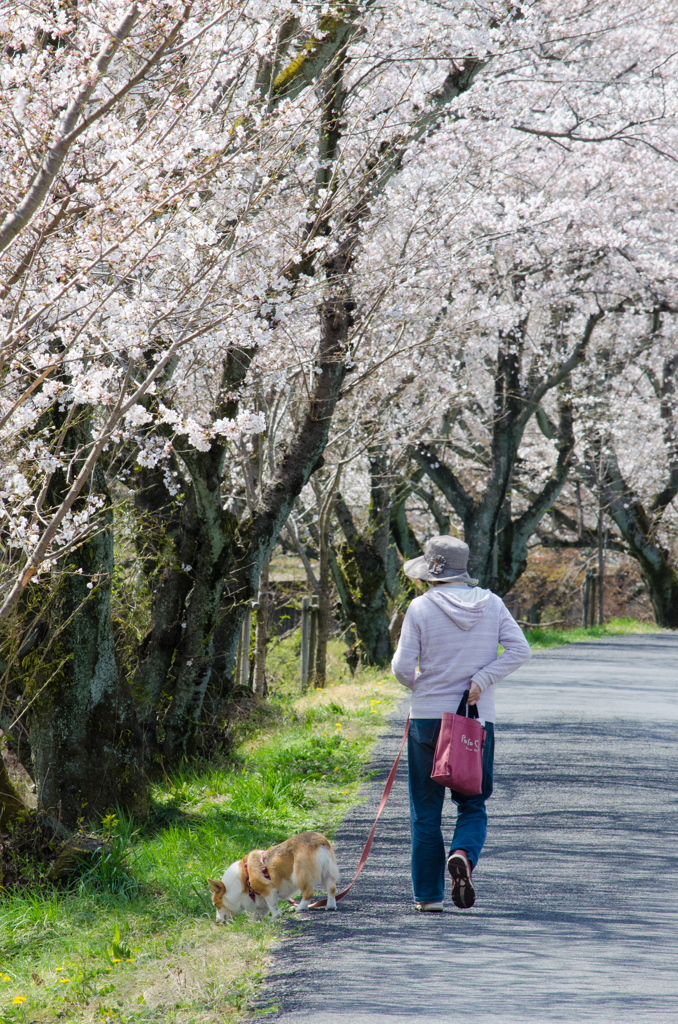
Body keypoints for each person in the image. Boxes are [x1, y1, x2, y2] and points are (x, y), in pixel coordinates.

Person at [391, 534, 531, 912]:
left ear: (430, 573)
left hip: (427, 719)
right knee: (472, 804)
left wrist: (421, 685)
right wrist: (481, 681)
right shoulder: (493, 604)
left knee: (425, 812)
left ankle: (429, 897)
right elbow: (521, 649)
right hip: (475, 722)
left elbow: (403, 668)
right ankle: (464, 856)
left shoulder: (419, 608)